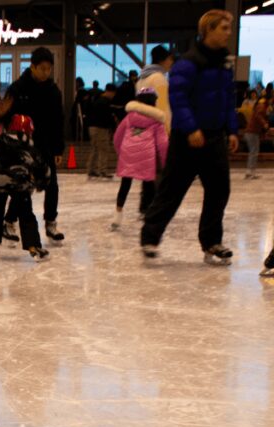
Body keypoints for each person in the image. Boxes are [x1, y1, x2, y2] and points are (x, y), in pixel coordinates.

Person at [140, 10, 239, 263]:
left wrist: (232, 130)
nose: (228, 33)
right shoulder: (189, 62)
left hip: (215, 138)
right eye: (223, 28)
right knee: (172, 190)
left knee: (219, 190)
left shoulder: (225, 62)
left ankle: (212, 242)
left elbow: (228, 99)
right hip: (187, 139)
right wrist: (191, 127)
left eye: (229, 28)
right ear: (208, 30)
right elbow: (178, 97)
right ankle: (150, 236)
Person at [0, 47, 66, 244]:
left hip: (46, 146)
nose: (46, 73)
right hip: (23, 146)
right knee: (23, 187)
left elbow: (58, 121)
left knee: (51, 184)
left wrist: (58, 149)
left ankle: (51, 222)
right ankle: (9, 221)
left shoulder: (53, 91)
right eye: (43, 69)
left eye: (49, 69)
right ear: (33, 66)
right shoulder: (18, 88)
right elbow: (5, 116)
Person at [0, 114, 52, 262]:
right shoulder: (28, 145)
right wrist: (43, 181)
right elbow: (41, 165)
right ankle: (33, 246)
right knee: (26, 215)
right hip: (20, 184)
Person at [111, 88, 168, 230]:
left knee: (125, 185)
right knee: (149, 185)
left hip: (128, 153)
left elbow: (117, 136)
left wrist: (120, 152)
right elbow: (163, 143)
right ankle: (147, 213)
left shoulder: (130, 117)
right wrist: (166, 161)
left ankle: (117, 216)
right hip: (146, 157)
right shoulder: (156, 120)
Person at [138, 45, 176, 133]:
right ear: (163, 60)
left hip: (143, 126)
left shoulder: (142, 78)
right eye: (170, 59)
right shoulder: (159, 79)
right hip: (158, 128)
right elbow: (162, 106)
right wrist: (168, 129)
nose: (171, 63)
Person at [86, 83, 117, 178]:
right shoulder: (104, 102)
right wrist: (113, 126)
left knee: (94, 149)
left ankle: (91, 170)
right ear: (109, 92)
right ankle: (102, 170)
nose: (113, 96)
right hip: (101, 128)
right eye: (113, 94)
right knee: (103, 149)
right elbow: (107, 117)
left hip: (92, 127)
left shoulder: (97, 100)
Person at [243, 98, 268, 180]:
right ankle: (250, 172)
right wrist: (264, 123)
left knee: (253, 152)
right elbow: (258, 116)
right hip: (252, 133)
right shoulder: (261, 106)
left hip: (252, 132)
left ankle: (251, 172)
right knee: (253, 152)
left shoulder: (259, 106)